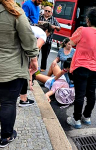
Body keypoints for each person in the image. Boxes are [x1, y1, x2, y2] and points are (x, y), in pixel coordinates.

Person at [56, 7, 96, 129]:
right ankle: (87, 117)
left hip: (80, 67)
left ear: (89, 20)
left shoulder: (82, 30)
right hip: (95, 69)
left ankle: (76, 119)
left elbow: (72, 43)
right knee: (91, 94)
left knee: (80, 94)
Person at [0, 0, 39, 147]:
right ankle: (6, 137)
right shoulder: (14, 11)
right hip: (11, 67)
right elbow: (28, 39)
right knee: (8, 102)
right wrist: (33, 59)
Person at [19, 23, 53, 107]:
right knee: (24, 73)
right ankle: (23, 100)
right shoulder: (43, 34)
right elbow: (36, 48)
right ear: (47, 31)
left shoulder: (34, 29)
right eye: (49, 34)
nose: (48, 36)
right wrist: (34, 61)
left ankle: (18, 93)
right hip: (23, 53)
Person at [39, 6, 61, 72]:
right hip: (38, 39)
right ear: (43, 11)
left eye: (49, 11)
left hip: (48, 41)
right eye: (46, 11)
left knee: (45, 56)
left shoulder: (53, 19)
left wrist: (54, 26)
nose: (47, 12)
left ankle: (43, 69)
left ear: (51, 12)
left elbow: (59, 27)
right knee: (35, 54)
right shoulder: (40, 17)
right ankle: (33, 67)